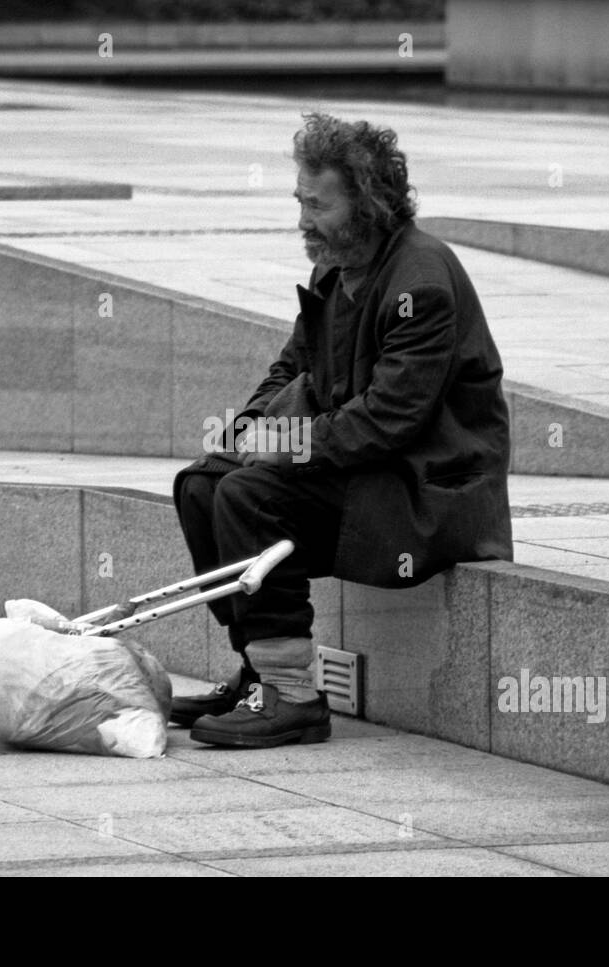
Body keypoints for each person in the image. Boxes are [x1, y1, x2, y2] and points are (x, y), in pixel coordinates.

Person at [172, 112, 513, 749]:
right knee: (203, 485)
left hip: (424, 491)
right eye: (300, 201)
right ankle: (260, 674)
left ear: (366, 202)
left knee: (251, 497)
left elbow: (389, 420)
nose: (303, 220)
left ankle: (294, 698)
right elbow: (292, 365)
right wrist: (248, 430)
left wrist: (283, 448)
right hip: (365, 473)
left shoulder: (421, 281)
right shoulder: (339, 267)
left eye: (316, 205)